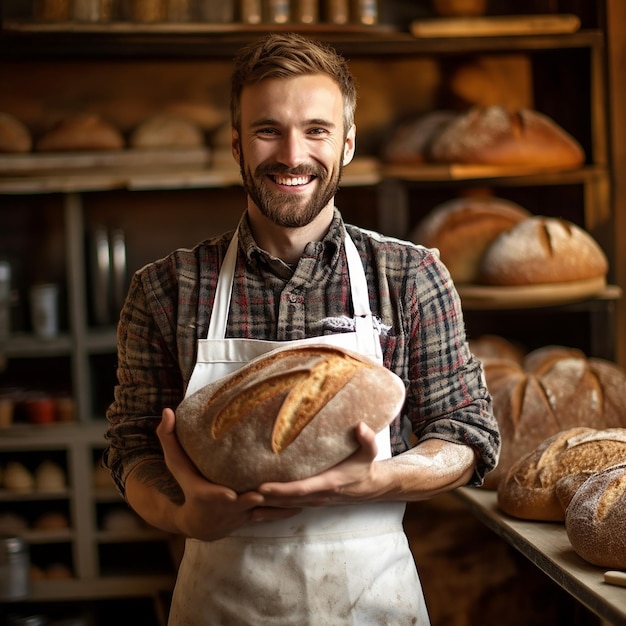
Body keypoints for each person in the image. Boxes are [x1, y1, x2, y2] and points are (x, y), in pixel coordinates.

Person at [104, 32, 500, 625]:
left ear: (347, 143)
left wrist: (377, 479)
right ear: (237, 144)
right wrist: (183, 517)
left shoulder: (411, 276)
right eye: (269, 130)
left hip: (372, 603)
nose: (292, 154)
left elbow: (467, 434)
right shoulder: (166, 288)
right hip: (221, 604)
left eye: (316, 130)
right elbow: (133, 449)